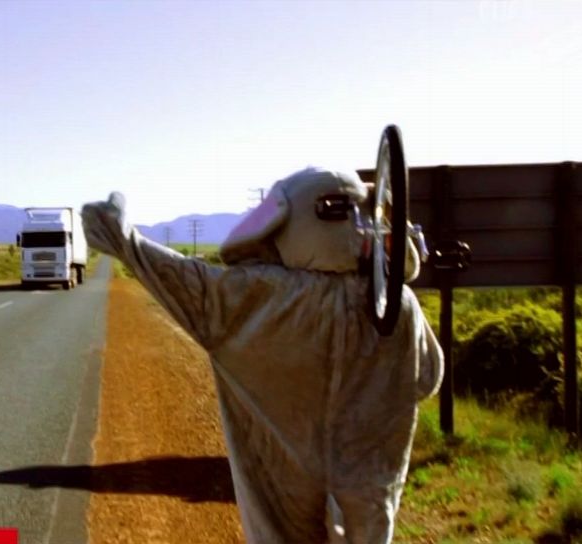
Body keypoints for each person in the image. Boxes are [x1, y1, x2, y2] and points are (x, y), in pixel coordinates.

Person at [82, 166, 444, 543]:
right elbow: (426, 379)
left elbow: (182, 279)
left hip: (282, 490)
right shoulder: (397, 305)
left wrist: (124, 238)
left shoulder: (257, 295)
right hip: (370, 483)